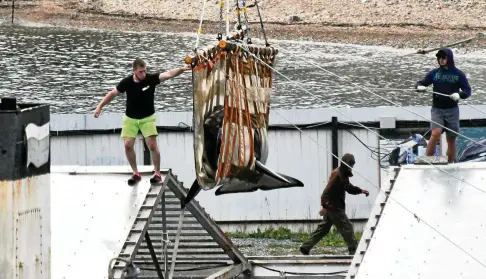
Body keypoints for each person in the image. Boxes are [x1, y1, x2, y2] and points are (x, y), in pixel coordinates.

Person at [94, 58, 191, 185]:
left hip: (147, 118)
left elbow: (168, 74)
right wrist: (100, 106)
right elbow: (112, 94)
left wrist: (183, 69)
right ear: (134, 71)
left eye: (145, 71)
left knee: (152, 145)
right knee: (128, 145)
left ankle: (157, 173)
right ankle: (135, 173)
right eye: (140, 72)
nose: (143, 74)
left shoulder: (150, 79)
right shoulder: (127, 82)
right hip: (131, 118)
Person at [300, 153, 369, 255]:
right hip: (334, 207)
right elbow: (326, 192)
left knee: (323, 229)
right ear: (347, 164)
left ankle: (305, 247)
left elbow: (348, 187)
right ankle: (354, 250)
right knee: (347, 227)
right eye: (351, 164)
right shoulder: (337, 175)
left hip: (332, 206)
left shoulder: (343, 174)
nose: (352, 167)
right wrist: (325, 206)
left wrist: (361, 191)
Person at [415, 48, 471, 163]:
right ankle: (428, 161)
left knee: (451, 139)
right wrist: (419, 87)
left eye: (444, 57)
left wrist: (459, 95)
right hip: (437, 110)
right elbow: (420, 82)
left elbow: (467, 90)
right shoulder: (434, 73)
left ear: (449, 58)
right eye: (439, 57)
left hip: (452, 110)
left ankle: (451, 163)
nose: (441, 59)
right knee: (436, 133)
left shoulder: (458, 74)